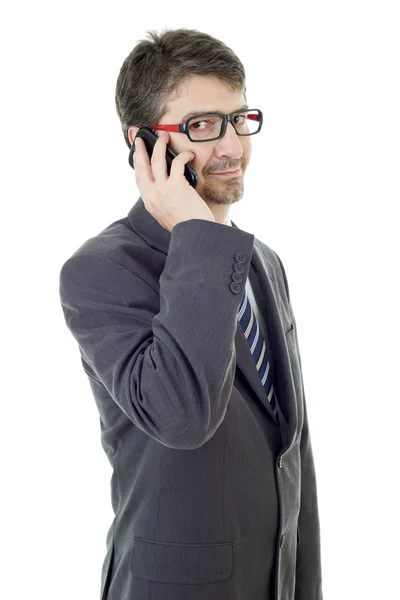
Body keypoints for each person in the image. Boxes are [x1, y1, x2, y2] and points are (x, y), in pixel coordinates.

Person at [59, 27, 323, 600]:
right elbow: (181, 417)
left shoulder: (260, 260)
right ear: (144, 144)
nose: (232, 146)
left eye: (238, 119)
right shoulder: (101, 270)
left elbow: (292, 451)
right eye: (202, 126)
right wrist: (197, 236)